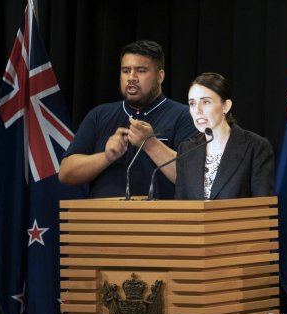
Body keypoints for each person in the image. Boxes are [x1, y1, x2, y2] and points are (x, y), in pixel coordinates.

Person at [59, 40, 196, 198]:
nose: (131, 78)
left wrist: (150, 144)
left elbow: (193, 178)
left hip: (161, 220)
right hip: (103, 219)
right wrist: (107, 157)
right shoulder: (99, 115)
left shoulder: (185, 116)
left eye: (141, 70)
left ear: (160, 76)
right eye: (126, 70)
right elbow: (65, 173)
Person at [175, 72, 274, 200]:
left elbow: (263, 207)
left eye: (206, 102)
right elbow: (181, 206)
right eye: (192, 103)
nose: (197, 110)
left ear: (225, 106)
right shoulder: (186, 150)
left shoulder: (256, 147)